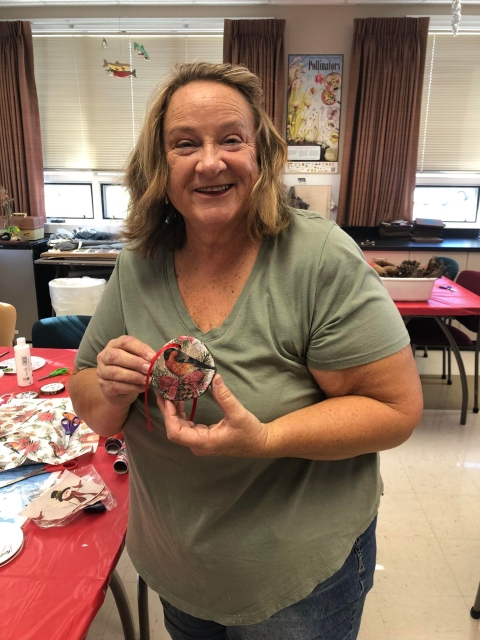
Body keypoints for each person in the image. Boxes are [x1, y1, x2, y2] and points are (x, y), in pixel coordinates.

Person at [69, 62, 423, 640]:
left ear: (260, 156)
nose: (210, 161)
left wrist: (267, 438)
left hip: (295, 583)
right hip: (179, 566)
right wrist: (107, 385)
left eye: (231, 139)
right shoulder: (141, 260)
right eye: (186, 144)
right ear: (161, 165)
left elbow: (394, 409)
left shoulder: (318, 260)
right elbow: (88, 394)